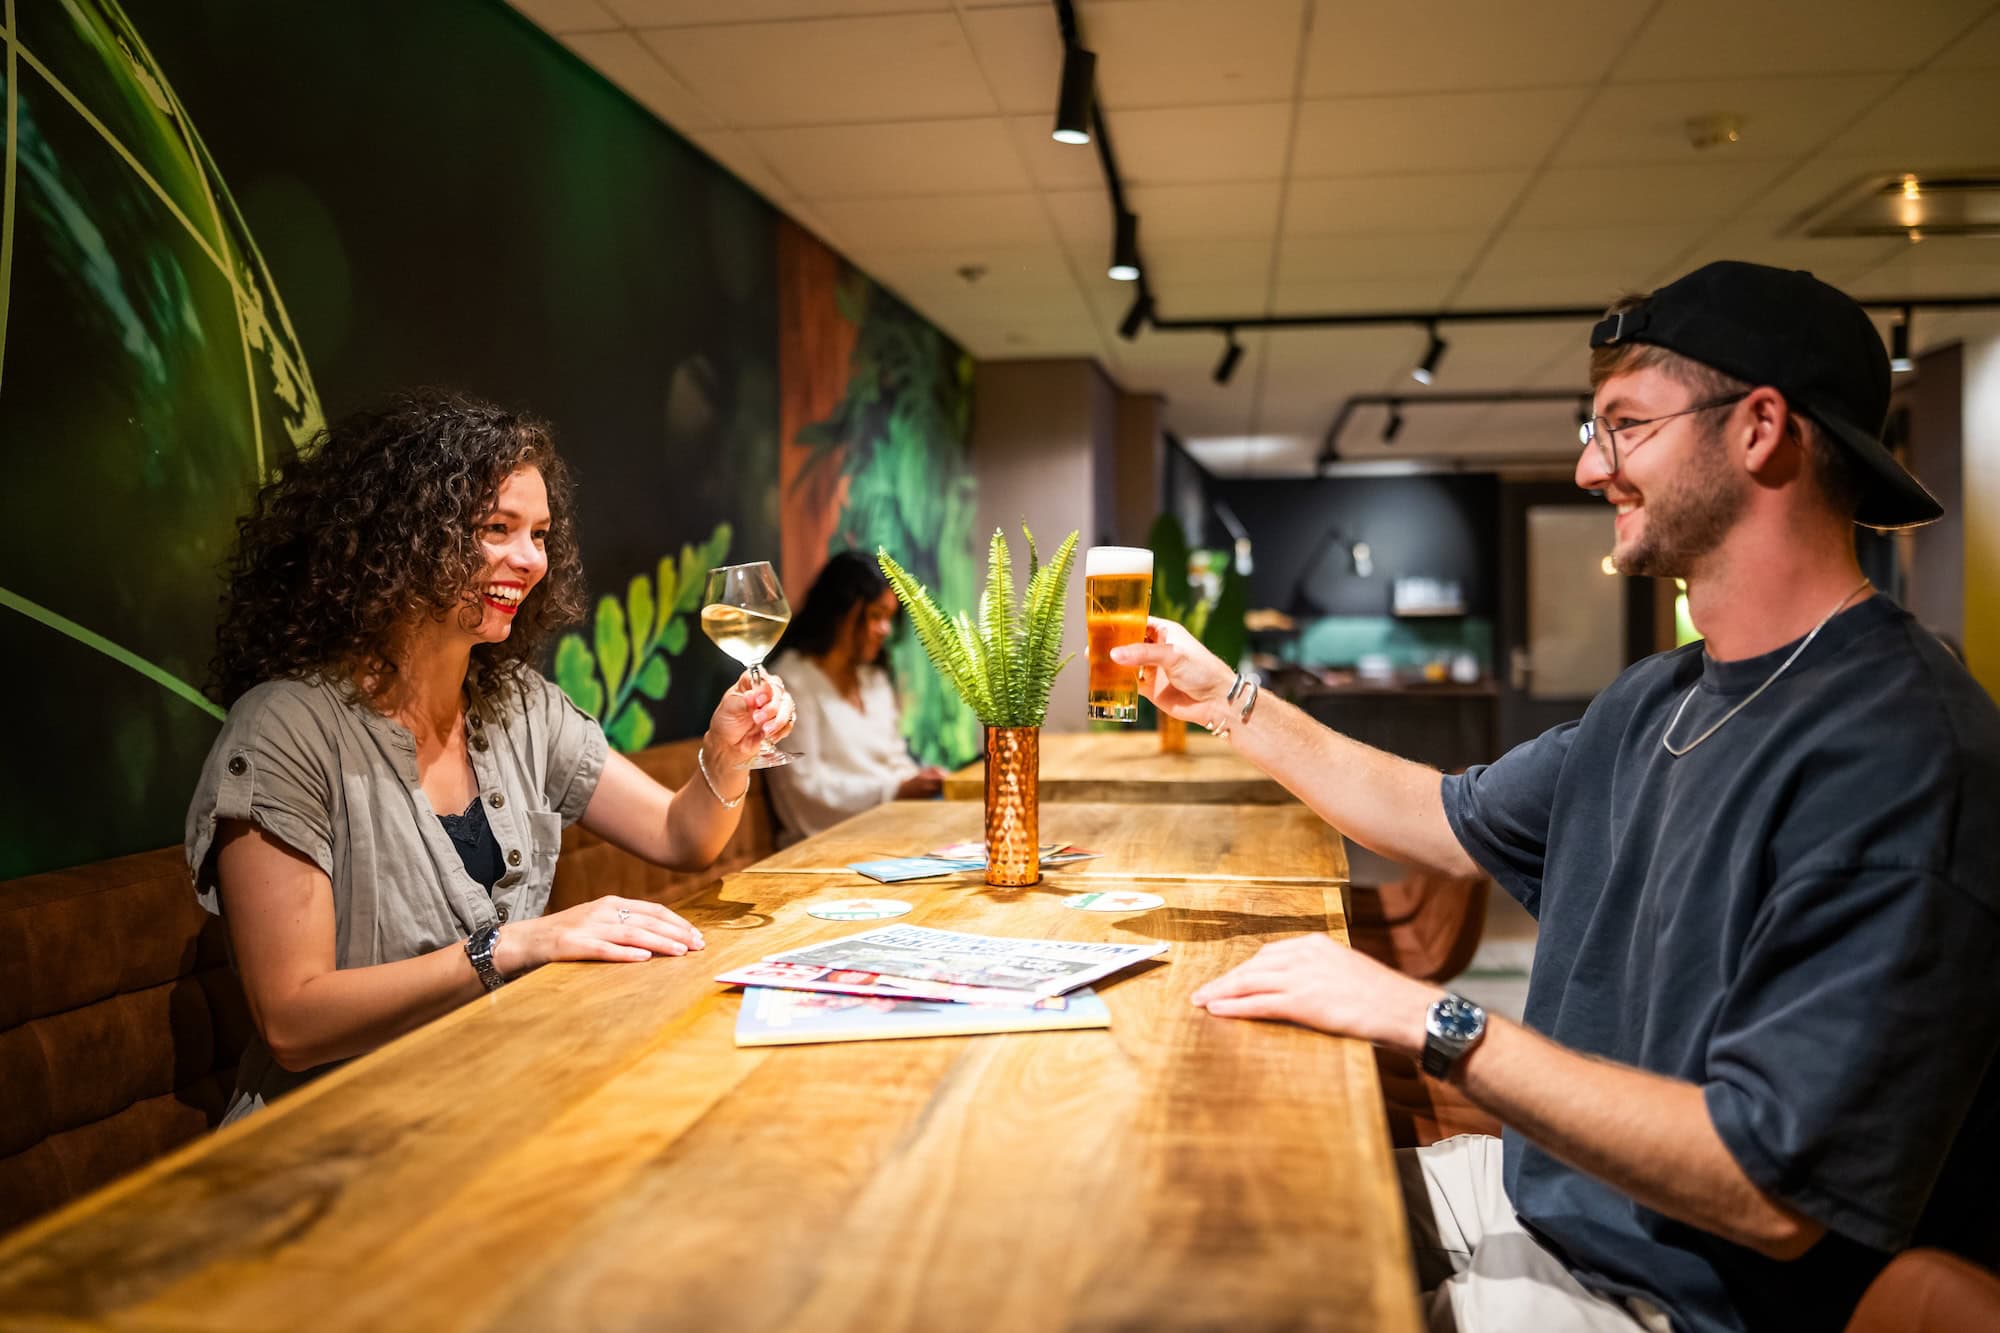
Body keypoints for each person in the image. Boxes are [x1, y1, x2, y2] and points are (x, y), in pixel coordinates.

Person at [1117, 262, 2000, 1333]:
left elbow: (1766, 1194)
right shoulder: (1657, 696)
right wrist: (1231, 699)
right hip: (1539, 1207)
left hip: (1661, 1302)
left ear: (1760, 427)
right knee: (1158, 1213)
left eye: (1622, 425)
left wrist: (1430, 1018)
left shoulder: (1900, 753)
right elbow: (1436, 815)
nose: (1589, 468)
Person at [186, 390, 795, 1122]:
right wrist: (514, 944)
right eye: (496, 528)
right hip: (332, 1138)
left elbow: (680, 834)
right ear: (402, 538)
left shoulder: (520, 704)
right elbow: (292, 1020)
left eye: (539, 533)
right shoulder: (285, 729)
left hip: (500, 1096)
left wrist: (724, 751)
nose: (529, 558)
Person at [764, 550, 945, 844]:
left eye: (889, 618)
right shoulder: (792, 681)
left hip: (893, 830)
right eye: (875, 615)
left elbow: (894, 759)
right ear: (839, 611)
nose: (885, 629)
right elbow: (804, 792)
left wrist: (922, 782)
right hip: (826, 844)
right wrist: (894, 790)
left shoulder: (872, 678)